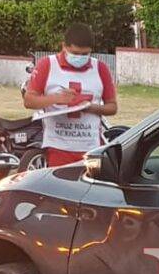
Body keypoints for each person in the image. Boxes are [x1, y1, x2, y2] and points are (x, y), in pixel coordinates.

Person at [23, 23, 117, 168]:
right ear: (64, 46)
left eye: (85, 54)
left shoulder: (100, 68)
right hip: (58, 147)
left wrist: (89, 108)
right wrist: (56, 98)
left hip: (91, 148)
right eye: (75, 53)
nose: (80, 58)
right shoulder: (47, 65)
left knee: (92, 188)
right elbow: (29, 101)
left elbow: (112, 107)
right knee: (60, 188)